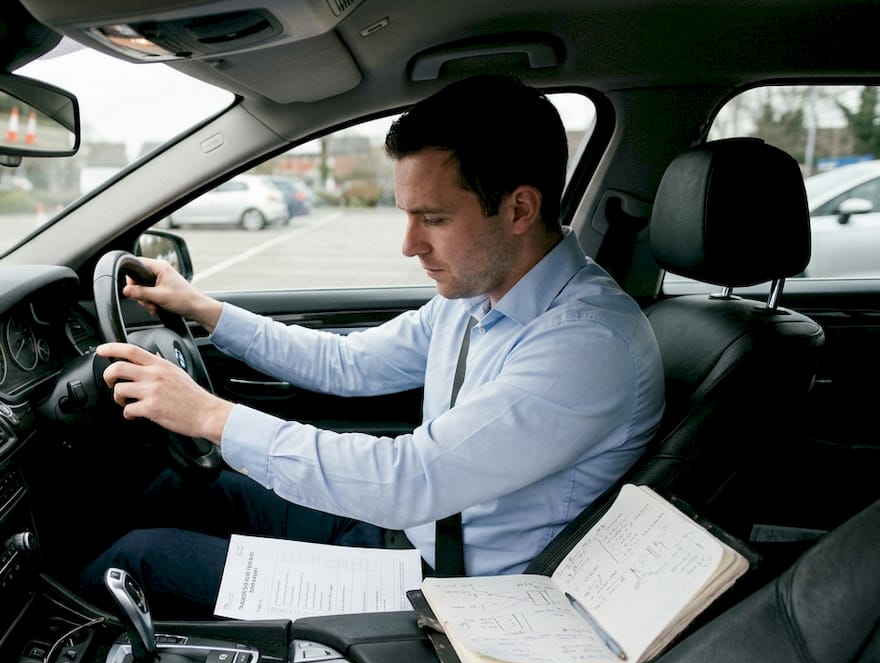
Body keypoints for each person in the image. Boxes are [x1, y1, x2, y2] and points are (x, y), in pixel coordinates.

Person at [78, 73, 666, 620]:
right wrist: (207, 312)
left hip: (450, 591)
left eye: (431, 218)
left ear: (519, 208)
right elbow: (350, 362)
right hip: (409, 533)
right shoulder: (475, 298)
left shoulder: (586, 344)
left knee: (138, 560)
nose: (409, 245)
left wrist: (208, 414)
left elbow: (410, 479)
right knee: (180, 487)